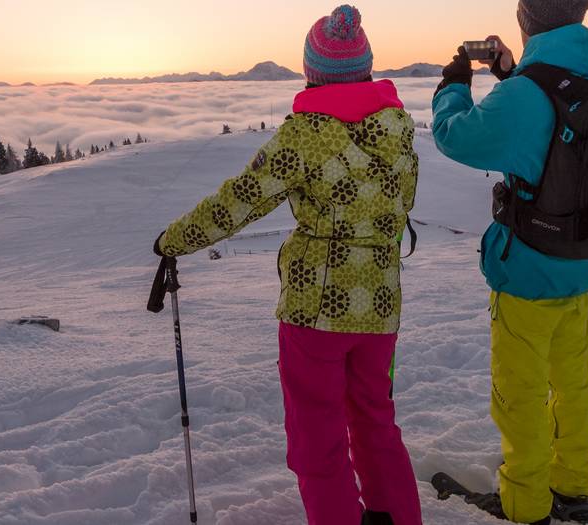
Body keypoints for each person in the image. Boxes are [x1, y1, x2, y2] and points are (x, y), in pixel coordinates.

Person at [151, 6, 422, 524]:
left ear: (311, 71)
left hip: (314, 309)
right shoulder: (397, 126)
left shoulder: (304, 135)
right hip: (382, 305)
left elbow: (242, 200)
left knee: (317, 436)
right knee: (375, 420)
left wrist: (174, 240)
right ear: (365, 67)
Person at [428, 0, 588, 523]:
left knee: (521, 397)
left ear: (526, 19)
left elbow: (456, 136)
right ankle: (572, 488)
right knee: (572, 387)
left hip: (528, 270)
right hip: (580, 265)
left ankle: (526, 506)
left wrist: (453, 85)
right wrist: (514, 71)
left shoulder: (528, 94)